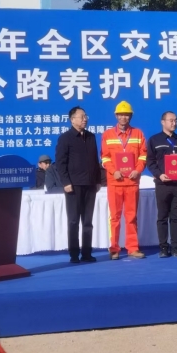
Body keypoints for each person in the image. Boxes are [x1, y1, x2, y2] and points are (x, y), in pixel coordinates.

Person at [100, 101, 147, 260]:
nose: (123, 117)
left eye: (126, 114)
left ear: (130, 116)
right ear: (116, 116)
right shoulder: (108, 135)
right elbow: (105, 157)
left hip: (132, 182)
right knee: (115, 217)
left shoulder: (138, 134)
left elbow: (143, 155)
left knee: (131, 217)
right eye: (120, 114)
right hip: (115, 182)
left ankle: (132, 248)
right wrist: (114, 171)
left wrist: (137, 170)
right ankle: (114, 248)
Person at [55, 106, 101, 263]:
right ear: (72, 119)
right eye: (81, 117)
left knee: (87, 222)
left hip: (90, 185)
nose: (85, 119)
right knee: (73, 221)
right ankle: (74, 253)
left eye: (85, 116)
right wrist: (66, 182)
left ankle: (87, 252)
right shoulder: (65, 138)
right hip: (73, 186)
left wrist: (97, 180)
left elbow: (95, 160)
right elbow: (60, 163)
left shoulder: (91, 137)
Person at [147, 111, 177, 258]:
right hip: (162, 184)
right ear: (163, 122)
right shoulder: (154, 140)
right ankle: (163, 247)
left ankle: (175, 247)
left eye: (176, 120)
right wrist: (159, 174)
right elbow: (150, 162)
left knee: (175, 217)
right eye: (171, 120)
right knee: (162, 217)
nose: (174, 123)